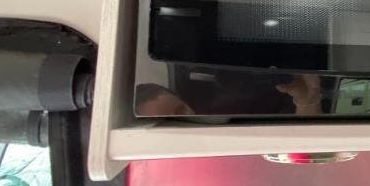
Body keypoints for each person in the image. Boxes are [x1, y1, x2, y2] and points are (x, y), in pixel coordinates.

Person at [135, 75, 322, 116]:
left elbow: (302, 151)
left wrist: (307, 100)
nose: (181, 122)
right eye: (166, 124)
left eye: (180, 110)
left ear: (184, 101)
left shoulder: (230, 114)